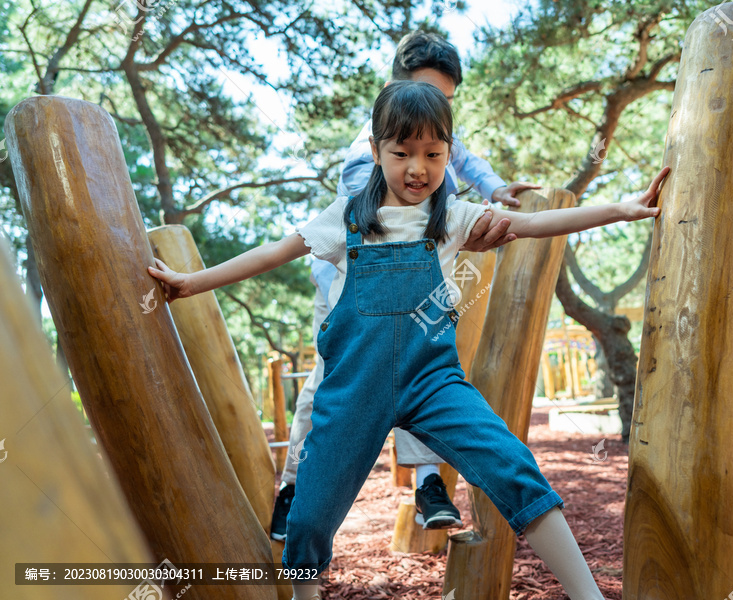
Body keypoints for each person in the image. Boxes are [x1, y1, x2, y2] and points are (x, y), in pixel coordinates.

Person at [149, 80, 669, 600]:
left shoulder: (452, 218)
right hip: (352, 388)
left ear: (448, 154)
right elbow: (272, 253)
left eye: (433, 154)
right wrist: (192, 283)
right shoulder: (348, 218)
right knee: (308, 518)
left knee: (513, 467)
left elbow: (535, 221)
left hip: (433, 383)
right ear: (376, 151)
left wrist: (620, 209)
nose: (417, 168)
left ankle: (590, 594)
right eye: (401, 153)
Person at [271, 29, 540, 540]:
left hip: (417, 291)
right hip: (351, 292)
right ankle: (293, 488)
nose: (435, 106)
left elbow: (464, 160)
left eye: (446, 100)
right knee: (324, 387)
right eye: (427, 91)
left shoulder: (434, 137)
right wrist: (446, 212)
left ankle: (428, 482)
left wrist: (493, 192)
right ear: (397, 88)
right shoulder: (371, 149)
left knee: (421, 370)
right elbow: (373, 204)